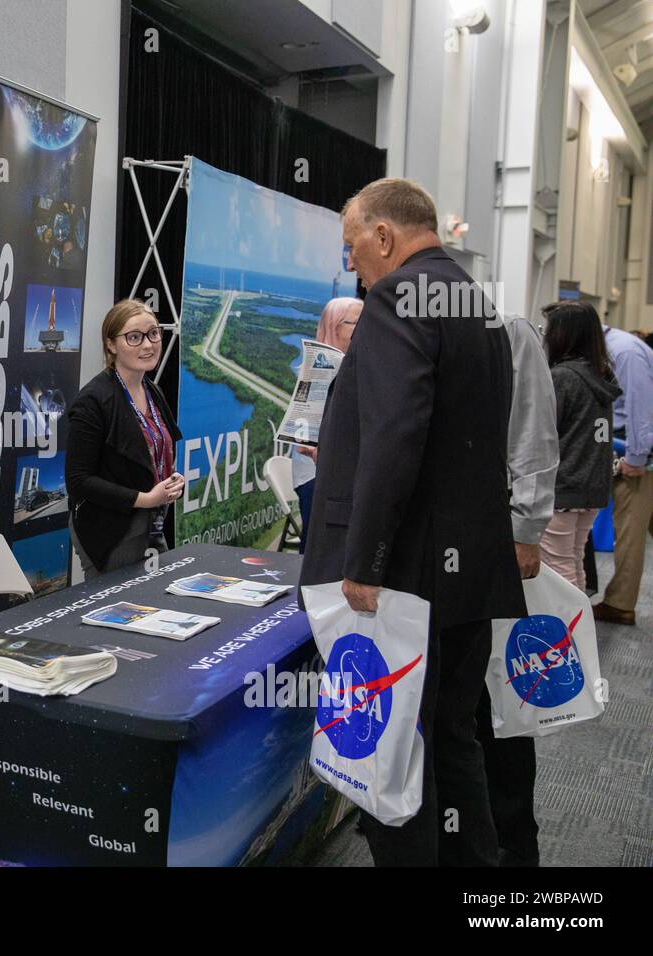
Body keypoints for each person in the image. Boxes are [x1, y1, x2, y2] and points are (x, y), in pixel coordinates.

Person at [299, 177, 525, 867]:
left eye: (352, 247)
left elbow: (396, 436)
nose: (353, 266)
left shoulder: (399, 294)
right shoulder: (475, 301)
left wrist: (364, 563)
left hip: (403, 579)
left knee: (388, 759)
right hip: (463, 577)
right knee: (453, 746)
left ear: (384, 236)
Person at [474, 310, 559, 868]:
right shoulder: (394, 326)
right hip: (421, 561)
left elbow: (532, 432)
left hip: (490, 545)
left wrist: (525, 530)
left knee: (500, 699)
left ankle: (513, 841)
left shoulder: (504, 329)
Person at [66, 299, 183, 576]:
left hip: (151, 522)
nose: (147, 344)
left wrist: (169, 479)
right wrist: (146, 498)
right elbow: (79, 481)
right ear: (111, 344)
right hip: (109, 530)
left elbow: (150, 452)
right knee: (116, 611)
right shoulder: (93, 401)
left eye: (153, 333)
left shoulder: (152, 391)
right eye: (134, 337)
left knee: (150, 605)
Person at [536, 302, 620, 587]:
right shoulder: (601, 375)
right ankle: (580, 630)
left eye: (548, 329)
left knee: (558, 572)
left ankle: (569, 630)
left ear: (564, 334)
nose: (545, 336)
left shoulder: (563, 378)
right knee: (573, 563)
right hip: (591, 486)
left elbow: (543, 433)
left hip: (564, 487)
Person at [593, 322, 653, 625]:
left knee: (629, 530)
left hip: (637, 455)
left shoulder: (624, 351)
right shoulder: (615, 346)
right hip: (633, 447)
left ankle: (620, 605)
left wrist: (636, 456)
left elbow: (640, 406)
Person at [292, 297, 362, 552]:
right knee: (319, 552)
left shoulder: (353, 364)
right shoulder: (319, 367)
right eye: (357, 322)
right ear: (335, 326)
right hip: (316, 477)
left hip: (340, 475)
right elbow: (302, 438)